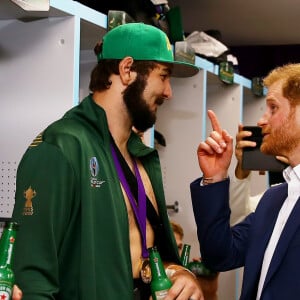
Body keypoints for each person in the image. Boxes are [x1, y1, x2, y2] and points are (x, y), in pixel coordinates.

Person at [11, 23, 203, 300]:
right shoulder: (62, 146)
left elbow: (142, 252)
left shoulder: (141, 156)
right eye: (164, 76)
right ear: (127, 70)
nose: (169, 92)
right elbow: (32, 279)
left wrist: (179, 273)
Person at [190, 63, 300, 299]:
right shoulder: (275, 197)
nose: (261, 120)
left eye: (273, 108)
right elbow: (220, 255)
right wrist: (215, 177)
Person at [229, 124, 288, 225]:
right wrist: (243, 169)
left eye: (274, 108)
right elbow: (238, 222)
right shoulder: (271, 197)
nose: (261, 121)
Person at [170, 220, 219, 300]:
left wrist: (209, 291)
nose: (176, 254)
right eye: (171, 247)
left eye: (179, 247)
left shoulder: (187, 280)